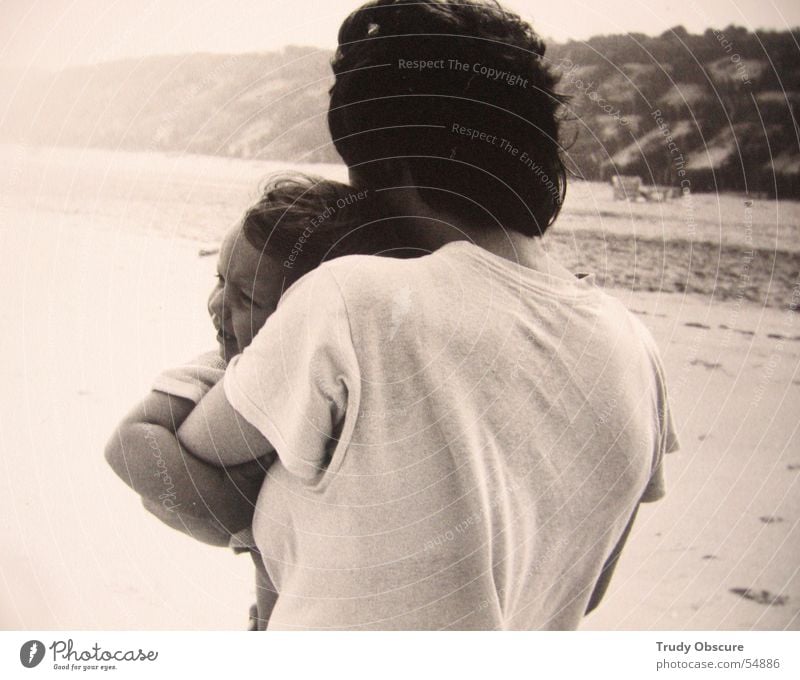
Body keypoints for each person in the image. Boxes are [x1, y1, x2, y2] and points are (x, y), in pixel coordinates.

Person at [175, 0, 679, 629]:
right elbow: (588, 587)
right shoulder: (638, 352)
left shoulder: (354, 301)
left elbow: (184, 463)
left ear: (388, 165)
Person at [104, 173, 401, 629]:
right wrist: (237, 505)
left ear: (303, 315)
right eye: (222, 280)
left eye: (245, 297)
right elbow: (127, 443)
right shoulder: (220, 373)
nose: (216, 304)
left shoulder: (349, 378)